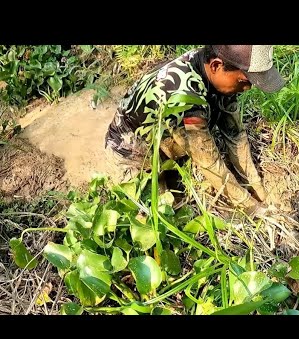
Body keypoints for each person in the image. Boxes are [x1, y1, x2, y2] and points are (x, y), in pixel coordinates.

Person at [104, 45, 285, 216]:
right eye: (243, 81)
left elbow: (235, 135)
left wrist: (258, 188)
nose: (248, 88)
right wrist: (251, 207)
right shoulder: (183, 98)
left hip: (166, 142)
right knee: (161, 215)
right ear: (216, 66)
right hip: (131, 155)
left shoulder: (216, 65)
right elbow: (210, 163)